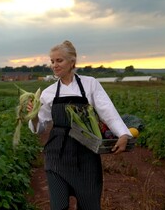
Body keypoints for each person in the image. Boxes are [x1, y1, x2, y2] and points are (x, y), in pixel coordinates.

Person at [27, 40, 132, 210]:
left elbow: (107, 111)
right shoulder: (48, 93)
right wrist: (33, 117)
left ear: (72, 62)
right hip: (57, 155)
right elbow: (39, 128)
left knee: (89, 205)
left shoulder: (90, 84)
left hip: (86, 154)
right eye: (52, 61)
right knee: (58, 206)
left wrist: (123, 134)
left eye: (59, 60)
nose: (54, 65)